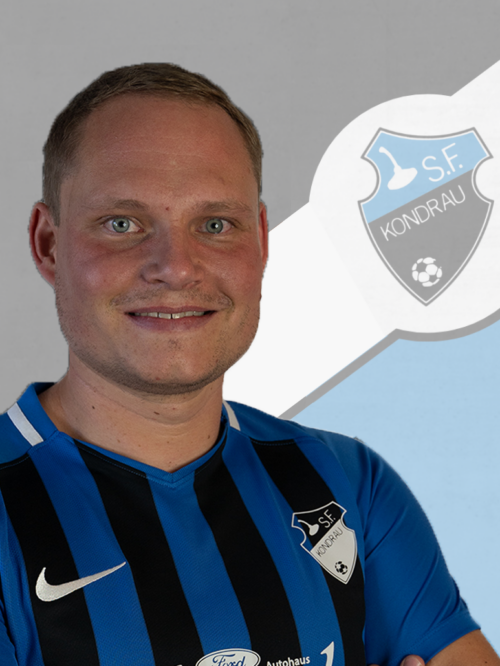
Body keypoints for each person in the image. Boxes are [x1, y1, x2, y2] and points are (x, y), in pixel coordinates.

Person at [0, 63, 497, 666]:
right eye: (122, 224)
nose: (176, 267)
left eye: (215, 225)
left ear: (260, 240)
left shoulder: (346, 484)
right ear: (48, 244)